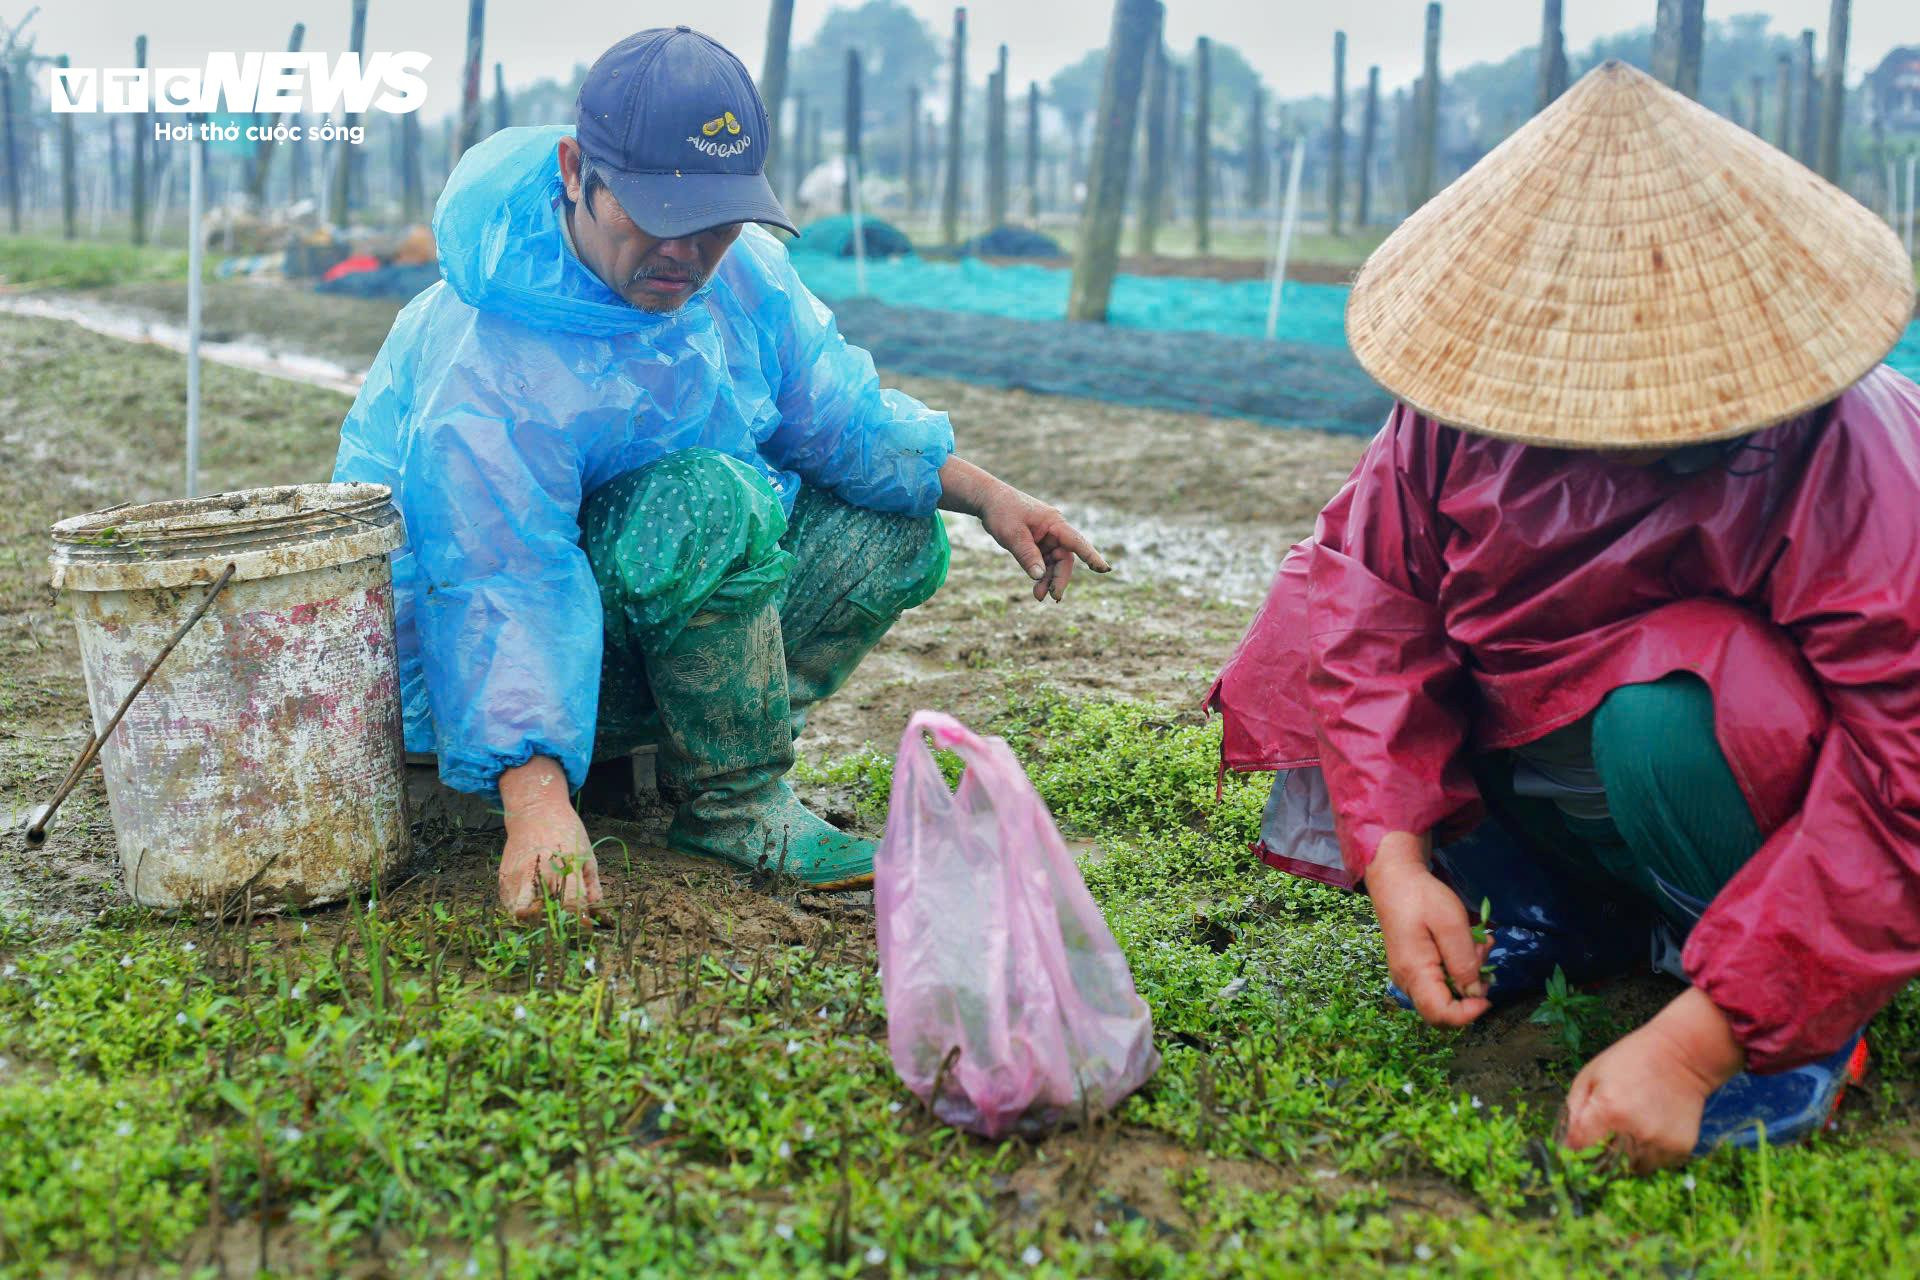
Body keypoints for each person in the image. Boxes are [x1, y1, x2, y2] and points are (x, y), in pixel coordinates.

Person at [1207, 62, 1920, 1170]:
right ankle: (1562, 914)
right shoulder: (1451, 425)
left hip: (1716, 785)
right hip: (1550, 779)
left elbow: (1903, 772)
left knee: (1659, 717)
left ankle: (1783, 1019)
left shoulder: (1852, 459)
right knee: (1333, 606)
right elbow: (1369, 619)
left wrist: (1698, 1046)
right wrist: (1398, 862)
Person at [334, 27, 1106, 917]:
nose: (686, 254)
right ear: (575, 169)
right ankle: (729, 802)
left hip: (637, 627)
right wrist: (538, 806)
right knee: (708, 502)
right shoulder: (489, 350)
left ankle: (710, 762)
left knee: (890, 529)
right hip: (486, 675)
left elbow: (843, 423)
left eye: (715, 224)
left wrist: (993, 498)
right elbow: (497, 576)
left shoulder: (739, 281)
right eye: (655, 217)